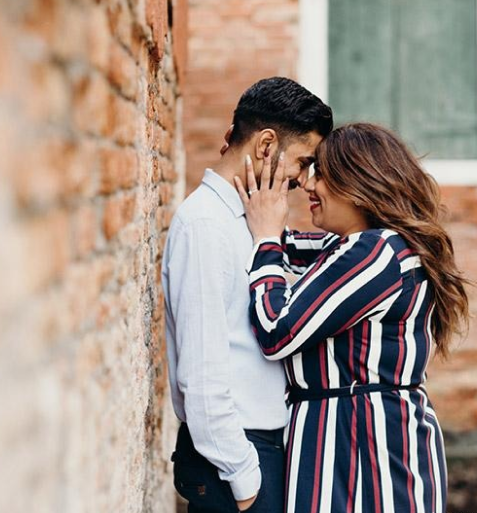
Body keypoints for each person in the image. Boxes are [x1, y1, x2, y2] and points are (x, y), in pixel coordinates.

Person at [233, 123, 472, 513]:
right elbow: (287, 248)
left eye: (322, 174)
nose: (309, 185)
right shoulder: (357, 249)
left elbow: (277, 331)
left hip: (362, 448)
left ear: (358, 184)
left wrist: (264, 242)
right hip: (349, 437)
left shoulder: (377, 253)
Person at [161, 77, 333, 513]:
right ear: (265, 145)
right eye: (302, 161)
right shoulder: (205, 225)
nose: (302, 178)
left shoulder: (250, 222)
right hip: (236, 460)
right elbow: (200, 375)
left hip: (259, 451)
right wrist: (244, 480)